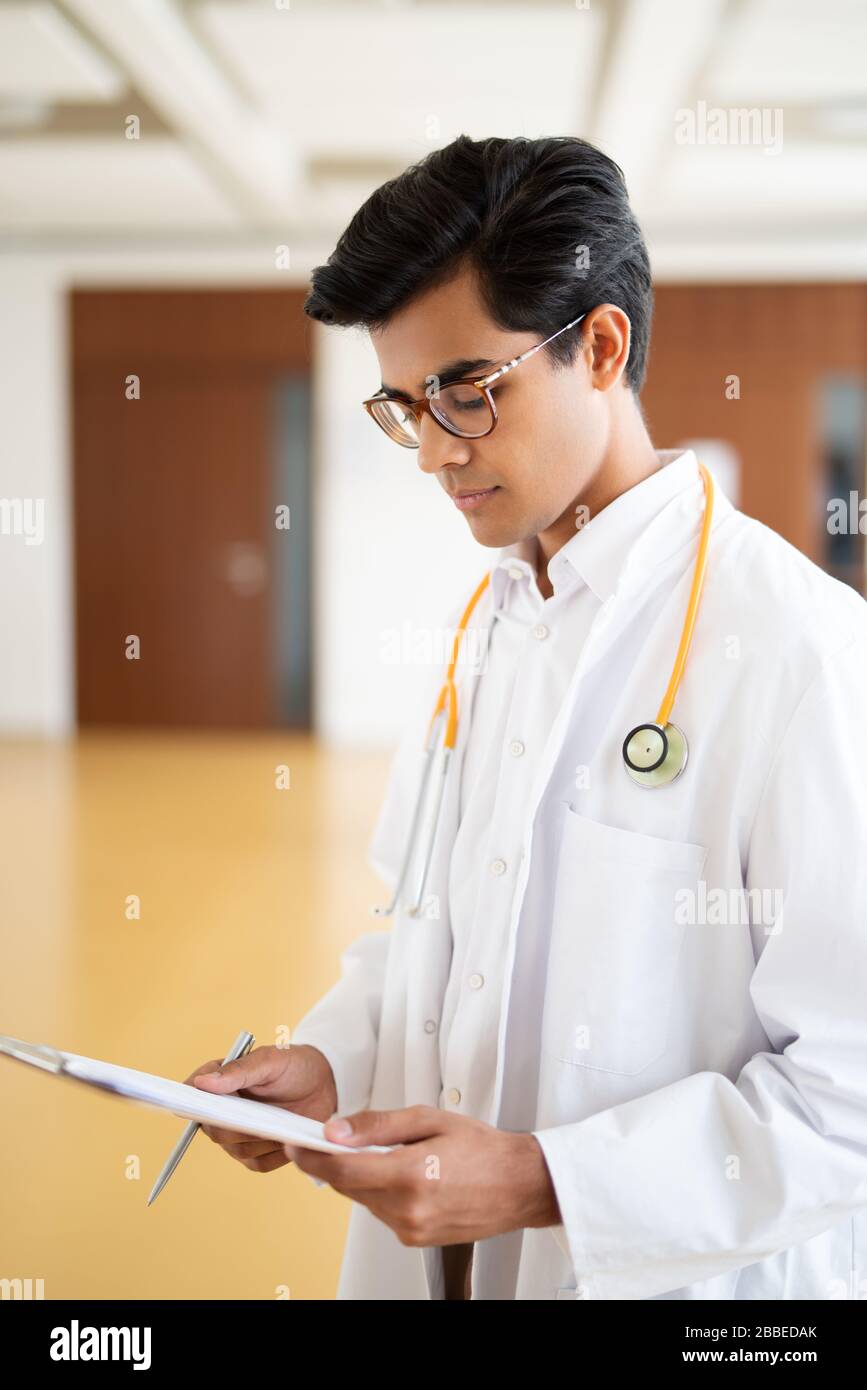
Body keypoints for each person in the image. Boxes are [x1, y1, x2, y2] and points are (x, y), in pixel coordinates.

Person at [187, 135, 867, 1301]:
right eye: (406, 407)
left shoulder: (804, 650)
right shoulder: (493, 622)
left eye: (467, 392)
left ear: (600, 346)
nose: (435, 452)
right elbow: (435, 938)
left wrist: (548, 1181)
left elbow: (849, 1096)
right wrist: (331, 1062)